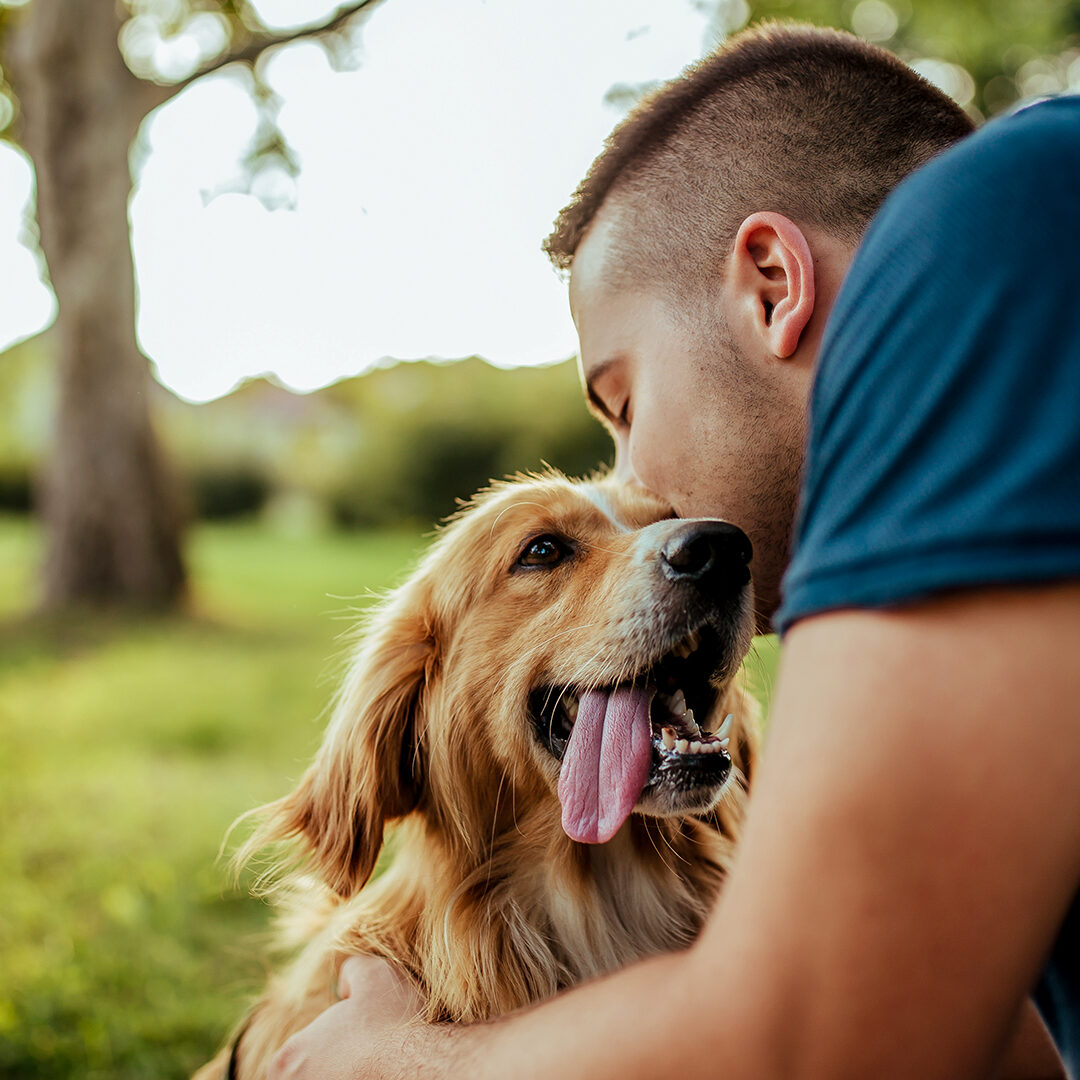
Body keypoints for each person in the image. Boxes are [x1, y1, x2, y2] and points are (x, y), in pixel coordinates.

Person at [267, 23, 1080, 1080]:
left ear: (773, 283)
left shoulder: (999, 221)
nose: (640, 485)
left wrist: (399, 1065)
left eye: (621, 399)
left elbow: (829, 1038)